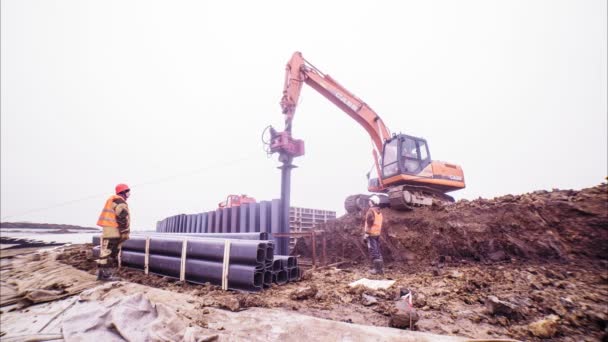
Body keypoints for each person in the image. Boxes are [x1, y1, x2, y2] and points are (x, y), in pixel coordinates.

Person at [96, 183, 131, 281]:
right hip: (114, 231)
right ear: (123, 192)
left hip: (108, 231)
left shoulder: (111, 200)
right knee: (111, 253)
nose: (129, 194)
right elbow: (122, 216)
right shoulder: (119, 201)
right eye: (128, 192)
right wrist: (124, 231)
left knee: (105, 252)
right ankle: (106, 276)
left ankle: (101, 274)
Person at [363, 199, 384, 275]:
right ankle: (381, 269)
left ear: (372, 202)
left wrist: (366, 234)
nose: (369, 202)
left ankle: (377, 270)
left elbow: (369, 223)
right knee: (377, 250)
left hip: (371, 234)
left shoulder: (371, 211)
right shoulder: (379, 211)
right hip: (377, 234)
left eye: (370, 201)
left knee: (374, 251)